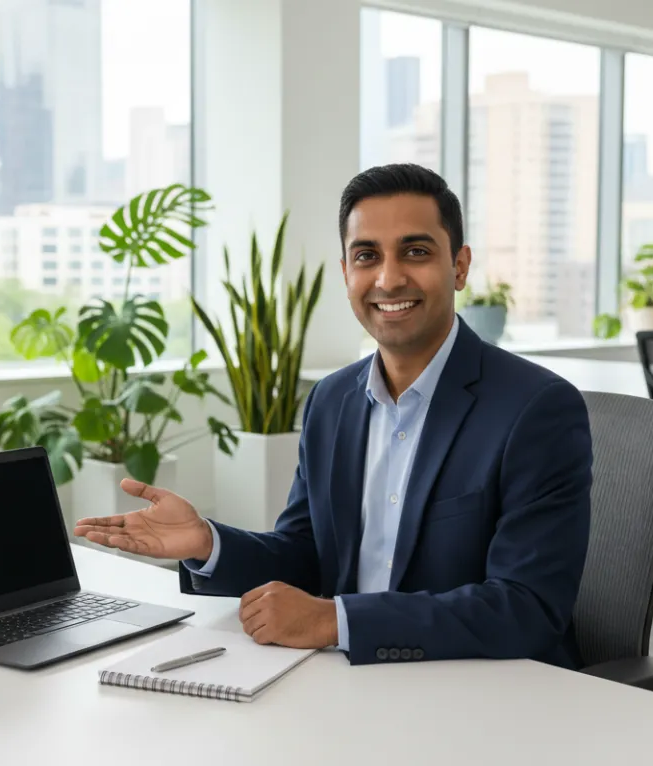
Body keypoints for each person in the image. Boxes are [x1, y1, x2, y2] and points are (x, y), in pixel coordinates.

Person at [74, 163, 593, 668]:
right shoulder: (331, 400)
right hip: (350, 682)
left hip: (488, 694)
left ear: (458, 266)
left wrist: (337, 621)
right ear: (346, 272)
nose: (389, 278)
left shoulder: (536, 409)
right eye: (367, 256)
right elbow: (307, 554)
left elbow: (526, 608)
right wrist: (210, 544)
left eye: (415, 251)